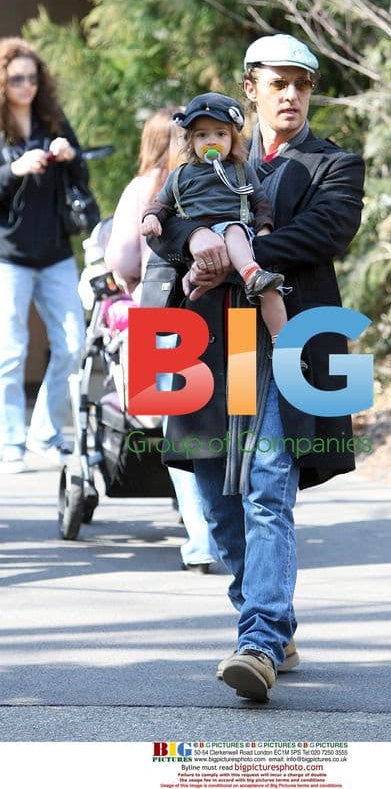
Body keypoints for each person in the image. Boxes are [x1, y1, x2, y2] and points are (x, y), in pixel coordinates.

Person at [144, 34, 365, 701]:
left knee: (269, 482)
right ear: (251, 88)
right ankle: (266, 613)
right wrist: (201, 237)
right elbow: (168, 221)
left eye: (302, 82)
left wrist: (239, 247)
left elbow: (325, 231)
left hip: (290, 337)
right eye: (279, 82)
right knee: (213, 496)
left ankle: (260, 640)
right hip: (213, 342)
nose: (292, 94)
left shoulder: (336, 163)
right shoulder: (206, 152)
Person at [105, 108, 219, 573]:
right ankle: (230, 526)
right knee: (227, 422)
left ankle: (200, 539)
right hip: (221, 314)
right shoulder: (219, 178)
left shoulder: (146, 188)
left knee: (181, 427)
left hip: (162, 317)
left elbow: (123, 256)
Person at [0, 37, 86, 474]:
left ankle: (44, 434)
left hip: (54, 250)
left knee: (73, 343)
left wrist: (70, 156)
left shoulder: (52, 119)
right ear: (2, 81)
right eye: (17, 79)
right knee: (10, 350)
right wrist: (13, 170)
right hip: (9, 255)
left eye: (32, 78)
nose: (26, 86)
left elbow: (81, 174)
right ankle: (10, 440)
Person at [142, 92, 288, 346]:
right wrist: (152, 217)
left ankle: (282, 341)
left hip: (240, 242)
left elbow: (260, 204)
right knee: (198, 288)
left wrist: (264, 230)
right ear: (190, 140)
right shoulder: (181, 175)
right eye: (202, 135)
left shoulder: (242, 171)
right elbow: (161, 204)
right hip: (202, 247)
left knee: (268, 289)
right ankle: (195, 285)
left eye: (220, 134)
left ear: (232, 138)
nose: (212, 141)